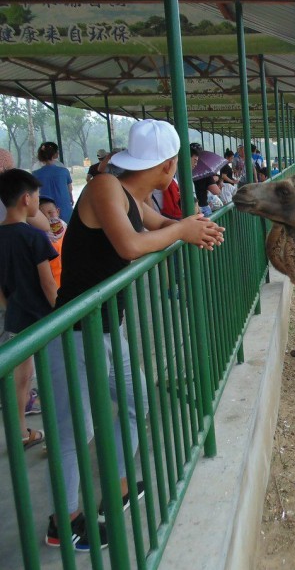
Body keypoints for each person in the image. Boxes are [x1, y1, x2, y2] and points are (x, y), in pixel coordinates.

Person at [44, 119, 225, 551]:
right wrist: (181, 230)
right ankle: (64, 523)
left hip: (104, 329)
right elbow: (130, 244)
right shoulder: (107, 188)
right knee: (76, 428)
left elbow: (159, 221)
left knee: (136, 399)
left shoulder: (130, 194)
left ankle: (119, 486)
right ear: (167, 165)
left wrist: (194, 227)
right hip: (74, 330)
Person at [0, 169, 58, 451]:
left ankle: (20, 432)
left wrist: (10, 307)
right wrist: (61, 312)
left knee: (19, 382)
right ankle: (60, 438)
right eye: (36, 196)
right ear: (26, 199)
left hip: (15, 319)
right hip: (44, 321)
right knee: (54, 380)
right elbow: (48, 284)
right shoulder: (35, 237)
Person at [32, 142, 73, 222]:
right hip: (65, 209)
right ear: (56, 154)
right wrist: (70, 198)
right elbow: (70, 190)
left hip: (45, 211)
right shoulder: (64, 171)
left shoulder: (35, 174)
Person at [38, 196, 67, 289]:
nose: (47, 217)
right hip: (54, 285)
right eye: (42, 215)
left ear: (58, 212)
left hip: (69, 279)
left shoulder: (67, 229)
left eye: (50, 212)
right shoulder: (38, 239)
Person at [191, 144, 221, 217]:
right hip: (202, 206)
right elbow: (216, 191)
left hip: (192, 209)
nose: (195, 163)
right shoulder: (205, 173)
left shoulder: (185, 173)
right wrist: (217, 181)